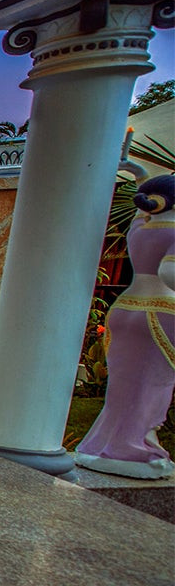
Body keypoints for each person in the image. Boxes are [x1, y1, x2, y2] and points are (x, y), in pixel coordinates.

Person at [75, 174, 175, 479]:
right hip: (161, 311)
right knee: (152, 386)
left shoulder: (140, 227)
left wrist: (141, 176)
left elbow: (140, 208)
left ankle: (100, 444)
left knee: (122, 388)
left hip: (126, 308)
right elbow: (170, 274)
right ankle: (133, 447)